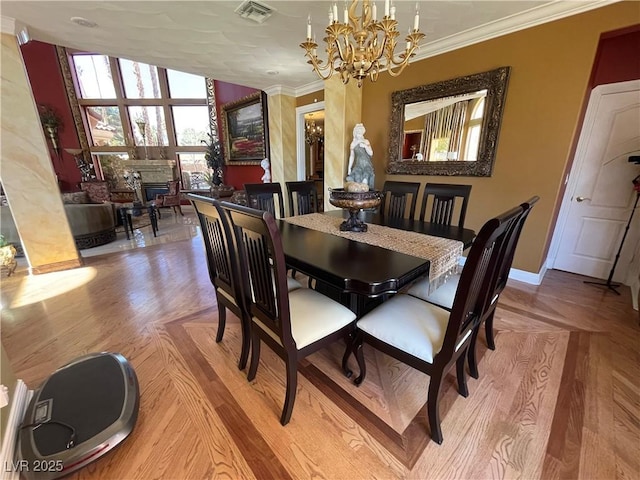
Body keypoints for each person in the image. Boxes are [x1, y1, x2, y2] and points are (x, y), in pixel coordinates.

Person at [346, 123, 374, 187]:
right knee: (357, 178)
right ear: (355, 133)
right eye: (358, 133)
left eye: (361, 133)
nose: (359, 135)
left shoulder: (366, 141)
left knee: (365, 177)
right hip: (358, 164)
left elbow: (371, 153)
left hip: (367, 164)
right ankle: (359, 195)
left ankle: (365, 194)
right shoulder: (353, 144)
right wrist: (349, 168)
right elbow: (352, 156)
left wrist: (365, 146)